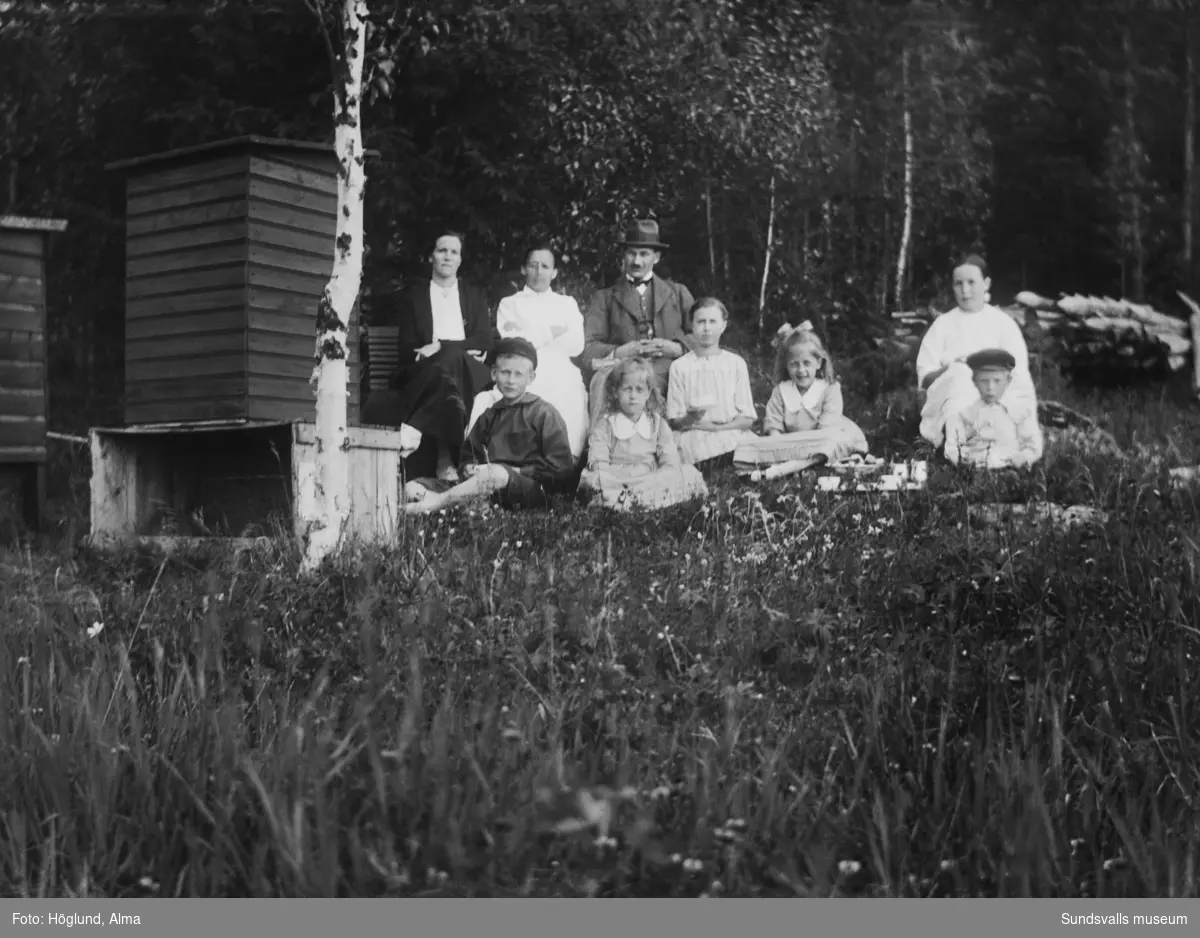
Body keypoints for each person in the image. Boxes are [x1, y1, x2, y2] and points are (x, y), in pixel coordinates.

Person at [363, 231, 495, 482]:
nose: (447, 256)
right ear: (431, 256)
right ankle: (447, 460)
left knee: (453, 360)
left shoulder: (474, 294)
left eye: (453, 252)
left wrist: (440, 346)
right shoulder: (415, 296)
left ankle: (416, 428)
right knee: (446, 370)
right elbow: (408, 347)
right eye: (442, 250)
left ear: (460, 260)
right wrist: (453, 351)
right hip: (427, 372)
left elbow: (484, 340)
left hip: (471, 371)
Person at [402, 337, 575, 514]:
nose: (510, 380)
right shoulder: (489, 416)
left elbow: (561, 469)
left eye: (518, 374)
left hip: (527, 488)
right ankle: (460, 504)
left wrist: (512, 470)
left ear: (531, 378)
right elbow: (469, 456)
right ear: (493, 374)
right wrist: (469, 468)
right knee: (412, 486)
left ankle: (435, 505)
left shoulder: (544, 413)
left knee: (496, 474)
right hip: (484, 486)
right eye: (505, 372)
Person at [581, 219, 697, 425]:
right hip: (623, 372)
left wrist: (677, 348)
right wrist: (620, 351)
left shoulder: (678, 294)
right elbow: (588, 349)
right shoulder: (604, 298)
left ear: (657, 257)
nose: (637, 261)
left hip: (670, 372)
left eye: (644, 254)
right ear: (623, 256)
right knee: (609, 384)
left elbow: (703, 337)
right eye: (631, 253)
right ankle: (604, 449)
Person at [915, 253, 1036, 448]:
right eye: (958, 284)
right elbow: (925, 379)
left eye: (971, 282)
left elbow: (1019, 373)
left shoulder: (1004, 324)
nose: (965, 290)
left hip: (995, 396)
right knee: (961, 375)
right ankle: (957, 446)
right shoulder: (942, 325)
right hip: (950, 399)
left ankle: (989, 443)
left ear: (986, 283)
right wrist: (953, 369)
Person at [490, 244, 589, 461]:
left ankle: (566, 460)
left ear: (554, 272)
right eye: (533, 265)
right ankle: (522, 460)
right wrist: (551, 331)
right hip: (522, 367)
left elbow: (576, 345)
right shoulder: (510, 303)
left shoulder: (566, 303)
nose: (539, 271)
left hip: (560, 366)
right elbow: (513, 343)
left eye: (545, 266)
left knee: (571, 393)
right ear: (524, 269)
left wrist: (530, 334)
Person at [733, 321, 869, 473]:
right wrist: (777, 445)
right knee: (746, 446)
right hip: (792, 443)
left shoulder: (829, 389)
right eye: (794, 364)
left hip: (823, 439)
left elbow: (826, 430)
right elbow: (774, 427)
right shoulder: (781, 391)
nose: (801, 370)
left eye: (806, 363)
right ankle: (794, 463)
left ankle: (787, 468)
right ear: (786, 366)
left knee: (829, 444)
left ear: (818, 363)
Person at [579, 357, 708, 511]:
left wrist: (663, 474)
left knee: (686, 473)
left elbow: (670, 459)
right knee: (597, 479)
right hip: (618, 477)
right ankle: (634, 500)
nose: (633, 396)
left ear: (648, 393)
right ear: (615, 392)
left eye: (639, 389)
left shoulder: (657, 424)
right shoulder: (606, 425)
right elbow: (598, 460)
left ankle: (636, 500)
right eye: (627, 389)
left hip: (650, 477)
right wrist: (608, 476)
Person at [665, 297, 757, 467]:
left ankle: (729, 464)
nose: (707, 328)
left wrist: (717, 429)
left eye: (713, 321)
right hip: (693, 434)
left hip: (730, 431)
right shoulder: (680, 366)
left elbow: (747, 419)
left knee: (751, 452)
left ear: (723, 325)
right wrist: (690, 419)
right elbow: (674, 421)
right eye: (700, 322)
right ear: (692, 326)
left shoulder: (735, 363)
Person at [944, 348, 1044, 469]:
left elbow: (1033, 446)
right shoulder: (966, 414)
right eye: (984, 381)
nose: (990, 387)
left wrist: (1022, 457)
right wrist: (963, 462)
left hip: (1010, 472)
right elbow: (952, 447)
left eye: (997, 381)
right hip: (973, 473)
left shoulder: (1019, 411)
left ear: (1008, 380)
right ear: (974, 381)